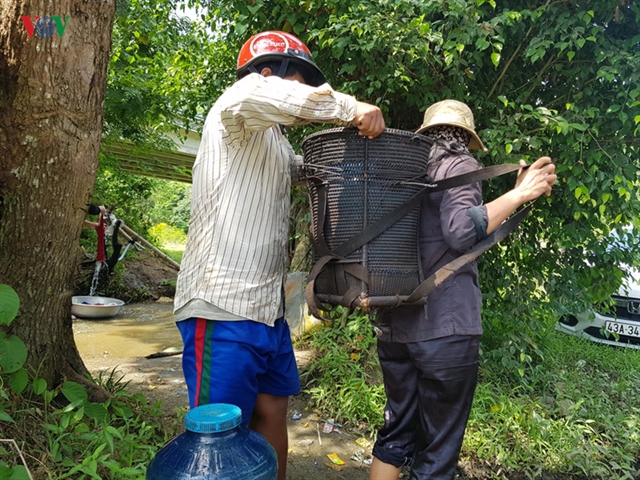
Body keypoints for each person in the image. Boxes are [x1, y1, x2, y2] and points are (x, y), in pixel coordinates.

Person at [173, 30, 385, 480]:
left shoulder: (273, 140)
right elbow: (269, 95)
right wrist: (352, 109)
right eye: (300, 81)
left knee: (272, 410)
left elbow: (302, 171)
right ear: (270, 73)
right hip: (222, 305)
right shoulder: (239, 102)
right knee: (219, 435)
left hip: (266, 311)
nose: (305, 92)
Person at [369, 99, 557, 480]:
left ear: (428, 131)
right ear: (464, 136)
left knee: (396, 432)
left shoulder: (403, 170)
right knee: (438, 452)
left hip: (393, 322)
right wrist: (519, 195)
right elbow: (459, 231)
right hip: (445, 327)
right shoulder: (459, 164)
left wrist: (511, 195)